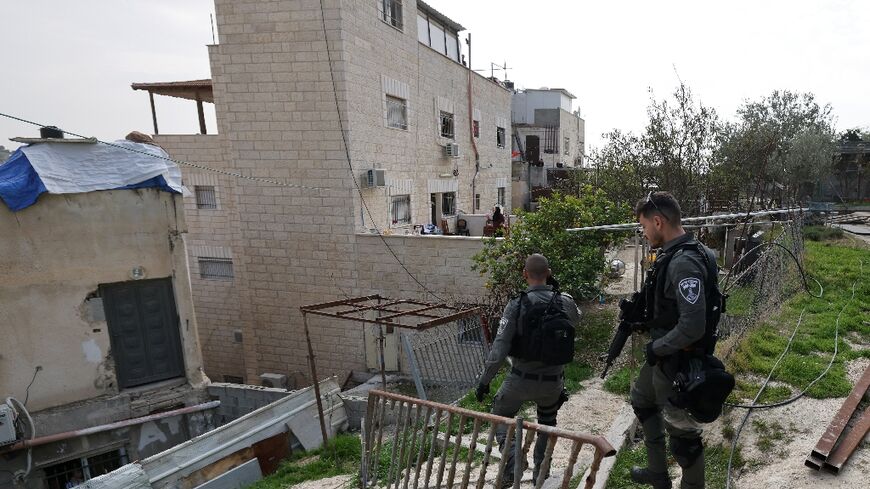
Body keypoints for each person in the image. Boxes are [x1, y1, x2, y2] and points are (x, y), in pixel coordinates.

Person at [630, 191, 717, 489]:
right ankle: (658, 475)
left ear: (658, 221)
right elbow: (671, 309)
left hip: (678, 361)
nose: (643, 232)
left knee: (684, 439)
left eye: (644, 226)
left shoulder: (685, 263)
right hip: (663, 358)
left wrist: (656, 347)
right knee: (642, 399)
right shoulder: (680, 253)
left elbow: (692, 326)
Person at [475, 254, 581, 487]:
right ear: (549, 273)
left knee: (500, 417)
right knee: (546, 424)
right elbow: (574, 322)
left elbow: (499, 349)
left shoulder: (517, 304)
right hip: (553, 382)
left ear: (525, 274)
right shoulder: (565, 301)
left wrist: (484, 381)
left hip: (520, 381)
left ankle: (514, 461)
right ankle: (540, 476)